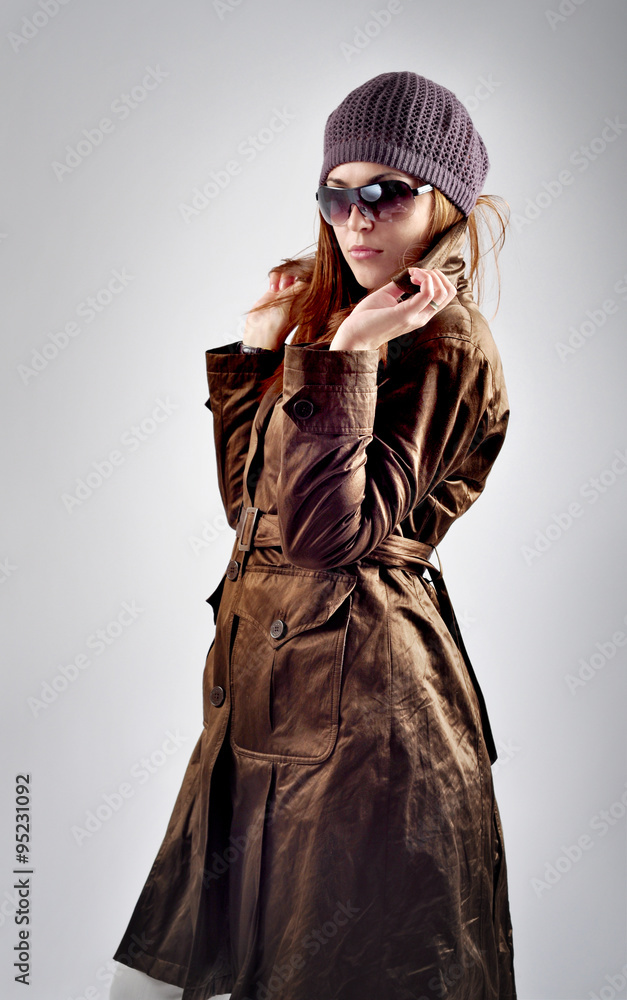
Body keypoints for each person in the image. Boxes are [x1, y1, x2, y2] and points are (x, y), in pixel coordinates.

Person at [109, 71, 517, 1000]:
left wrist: (349, 357)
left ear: (444, 201)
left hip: (365, 723)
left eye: (386, 193)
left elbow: (328, 539)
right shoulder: (345, 326)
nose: (355, 219)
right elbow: (254, 514)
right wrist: (261, 351)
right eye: (336, 195)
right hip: (264, 705)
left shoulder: (442, 341)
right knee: (152, 979)